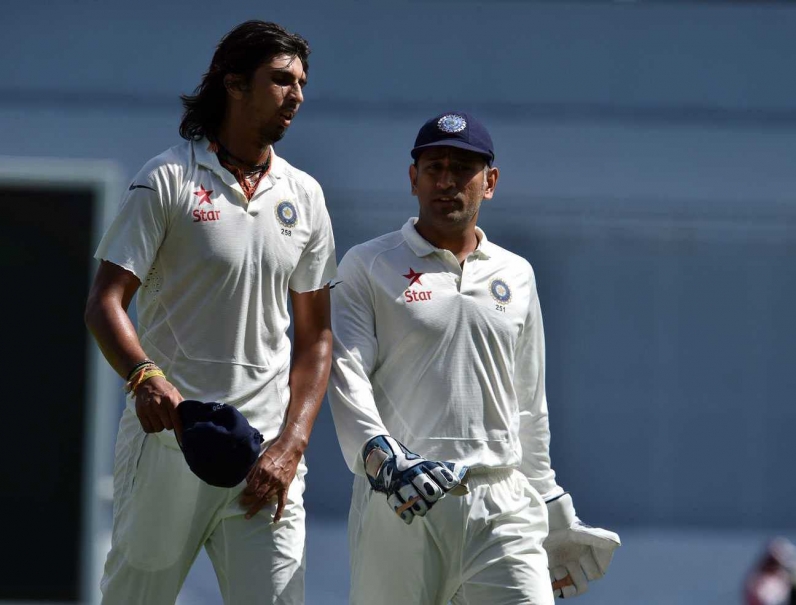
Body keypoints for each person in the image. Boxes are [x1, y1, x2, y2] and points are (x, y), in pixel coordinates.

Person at [84, 20, 336, 604]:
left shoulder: (305, 196)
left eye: (301, 82)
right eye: (280, 80)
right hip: (171, 446)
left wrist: (291, 444)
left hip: (265, 461)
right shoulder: (167, 177)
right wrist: (145, 377)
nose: (296, 94)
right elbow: (105, 302)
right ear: (234, 84)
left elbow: (317, 337)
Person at [327, 111, 620, 604]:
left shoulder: (517, 273)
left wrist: (547, 498)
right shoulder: (368, 264)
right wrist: (382, 458)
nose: (447, 181)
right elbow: (345, 371)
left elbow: (528, 399)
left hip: (502, 503)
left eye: (463, 168)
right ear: (412, 178)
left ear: (490, 182)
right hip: (402, 499)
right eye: (434, 166)